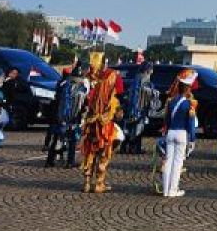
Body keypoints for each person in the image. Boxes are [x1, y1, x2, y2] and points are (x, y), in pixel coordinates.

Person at [80, 61, 121, 193]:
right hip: (105, 129)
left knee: (89, 154)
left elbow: (87, 107)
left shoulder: (93, 91)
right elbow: (117, 114)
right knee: (104, 156)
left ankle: (86, 183)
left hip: (91, 126)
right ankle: (99, 184)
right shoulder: (112, 98)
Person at [162, 69, 197, 197]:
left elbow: (167, 120)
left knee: (168, 161)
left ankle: (165, 189)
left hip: (170, 132)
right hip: (181, 133)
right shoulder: (189, 104)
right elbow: (191, 123)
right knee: (177, 163)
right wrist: (192, 139)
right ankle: (173, 189)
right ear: (187, 89)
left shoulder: (171, 102)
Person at [46, 62, 89, 168]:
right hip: (73, 115)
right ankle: (70, 161)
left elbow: (56, 97)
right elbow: (83, 103)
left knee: (56, 137)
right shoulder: (81, 86)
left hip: (59, 115)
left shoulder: (64, 83)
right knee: (72, 139)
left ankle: (50, 160)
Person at [120, 62, 156, 155]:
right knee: (136, 129)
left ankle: (128, 147)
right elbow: (137, 95)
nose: (152, 71)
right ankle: (133, 148)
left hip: (136, 108)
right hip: (138, 108)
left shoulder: (139, 80)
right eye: (151, 69)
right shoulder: (142, 81)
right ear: (148, 70)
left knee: (133, 128)